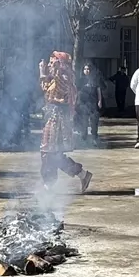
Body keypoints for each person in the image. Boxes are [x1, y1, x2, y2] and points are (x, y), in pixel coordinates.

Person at [39, 52, 94, 192]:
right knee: (51, 154)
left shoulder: (64, 77)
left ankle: (48, 186)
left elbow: (57, 97)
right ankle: (81, 175)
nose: (50, 64)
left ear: (61, 63)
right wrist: (42, 72)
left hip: (58, 120)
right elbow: (45, 89)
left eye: (53, 62)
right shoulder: (55, 77)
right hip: (52, 118)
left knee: (50, 153)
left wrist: (46, 74)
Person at [77, 62, 102, 143]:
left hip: (93, 103)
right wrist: (76, 101)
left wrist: (99, 101)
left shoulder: (95, 79)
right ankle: (84, 138)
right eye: (85, 69)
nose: (86, 71)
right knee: (84, 121)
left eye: (88, 69)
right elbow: (77, 91)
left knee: (94, 121)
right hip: (83, 103)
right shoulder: (80, 80)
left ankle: (94, 137)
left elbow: (98, 90)